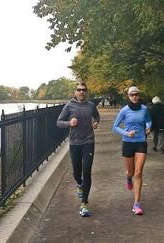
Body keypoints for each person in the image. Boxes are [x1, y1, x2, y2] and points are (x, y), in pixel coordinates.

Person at [57, 81, 100, 217]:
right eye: (79, 90)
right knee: (77, 173)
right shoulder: (69, 106)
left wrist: (95, 122)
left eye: (84, 90)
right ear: (75, 92)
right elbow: (58, 122)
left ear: (86, 92)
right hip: (75, 143)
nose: (81, 92)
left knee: (86, 171)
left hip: (89, 141)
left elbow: (97, 116)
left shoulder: (91, 105)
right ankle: (80, 184)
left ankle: (84, 204)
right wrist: (69, 123)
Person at [112, 86, 151, 215]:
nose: (134, 96)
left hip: (141, 142)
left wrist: (148, 128)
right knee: (131, 172)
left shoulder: (144, 109)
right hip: (128, 143)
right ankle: (128, 178)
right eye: (132, 95)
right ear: (128, 96)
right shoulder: (124, 110)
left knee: (139, 172)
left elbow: (148, 120)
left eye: (136, 94)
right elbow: (115, 127)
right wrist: (127, 133)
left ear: (139, 95)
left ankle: (136, 204)